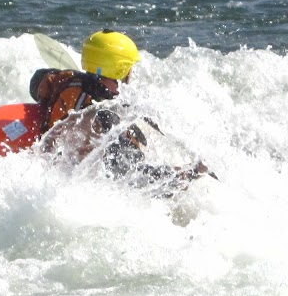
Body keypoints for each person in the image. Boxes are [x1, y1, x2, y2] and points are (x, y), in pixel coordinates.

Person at [29, 30, 208, 187]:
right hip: (86, 179)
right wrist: (191, 173)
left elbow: (37, 80)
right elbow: (134, 177)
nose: (130, 74)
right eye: (128, 69)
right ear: (119, 71)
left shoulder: (67, 81)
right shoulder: (104, 119)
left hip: (54, 155)